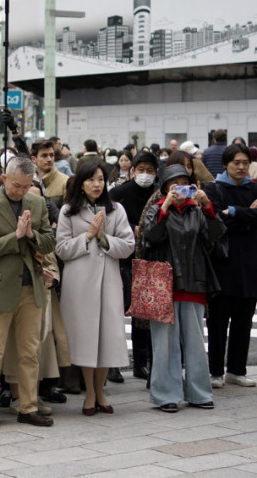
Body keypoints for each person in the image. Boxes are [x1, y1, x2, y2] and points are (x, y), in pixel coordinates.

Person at [0, 157, 56, 432]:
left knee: (30, 352)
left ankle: (28, 407)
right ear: (4, 178)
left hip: (30, 286)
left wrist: (31, 235)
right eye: (16, 185)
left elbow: (49, 242)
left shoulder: (38, 203)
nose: (20, 191)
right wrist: (16, 237)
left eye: (25, 186)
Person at [141, 164, 225, 413]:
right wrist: (165, 208)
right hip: (163, 285)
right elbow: (150, 239)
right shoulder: (156, 210)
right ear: (165, 188)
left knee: (196, 342)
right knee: (164, 344)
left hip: (194, 281)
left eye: (184, 183)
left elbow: (216, 237)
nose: (179, 188)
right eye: (173, 184)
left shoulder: (198, 210)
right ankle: (166, 394)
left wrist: (208, 206)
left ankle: (199, 392)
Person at [55, 160, 135, 415]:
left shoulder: (116, 209)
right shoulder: (68, 210)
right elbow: (62, 249)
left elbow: (128, 245)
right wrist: (88, 235)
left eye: (100, 179)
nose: (96, 184)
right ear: (81, 183)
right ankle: (90, 391)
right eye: (91, 179)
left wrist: (103, 238)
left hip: (109, 281)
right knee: (87, 339)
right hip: (79, 283)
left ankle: (101, 391)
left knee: (107, 338)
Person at [204, 144, 257, 389]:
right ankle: (215, 371)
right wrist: (247, 217)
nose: (242, 167)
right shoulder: (214, 188)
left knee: (244, 319)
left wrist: (232, 212)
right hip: (223, 262)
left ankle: (237, 370)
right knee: (218, 321)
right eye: (236, 163)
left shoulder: (255, 187)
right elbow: (215, 223)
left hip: (251, 262)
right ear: (225, 164)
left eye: (245, 163)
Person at [109, 152, 159, 380]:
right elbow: (107, 217)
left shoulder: (159, 193)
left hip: (149, 261)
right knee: (116, 312)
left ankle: (141, 363)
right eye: (141, 169)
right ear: (133, 170)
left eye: (150, 170)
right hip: (121, 260)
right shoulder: (119, 192)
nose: (145, 175)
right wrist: (130, 227)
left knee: (143, 315)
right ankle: (112, 365)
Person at [30, 140, 69, 207]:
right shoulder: (28, 181)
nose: (49, 159)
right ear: (34, 159)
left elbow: (67, 213)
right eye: (44, 156)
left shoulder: (65, 182)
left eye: (51, 155)